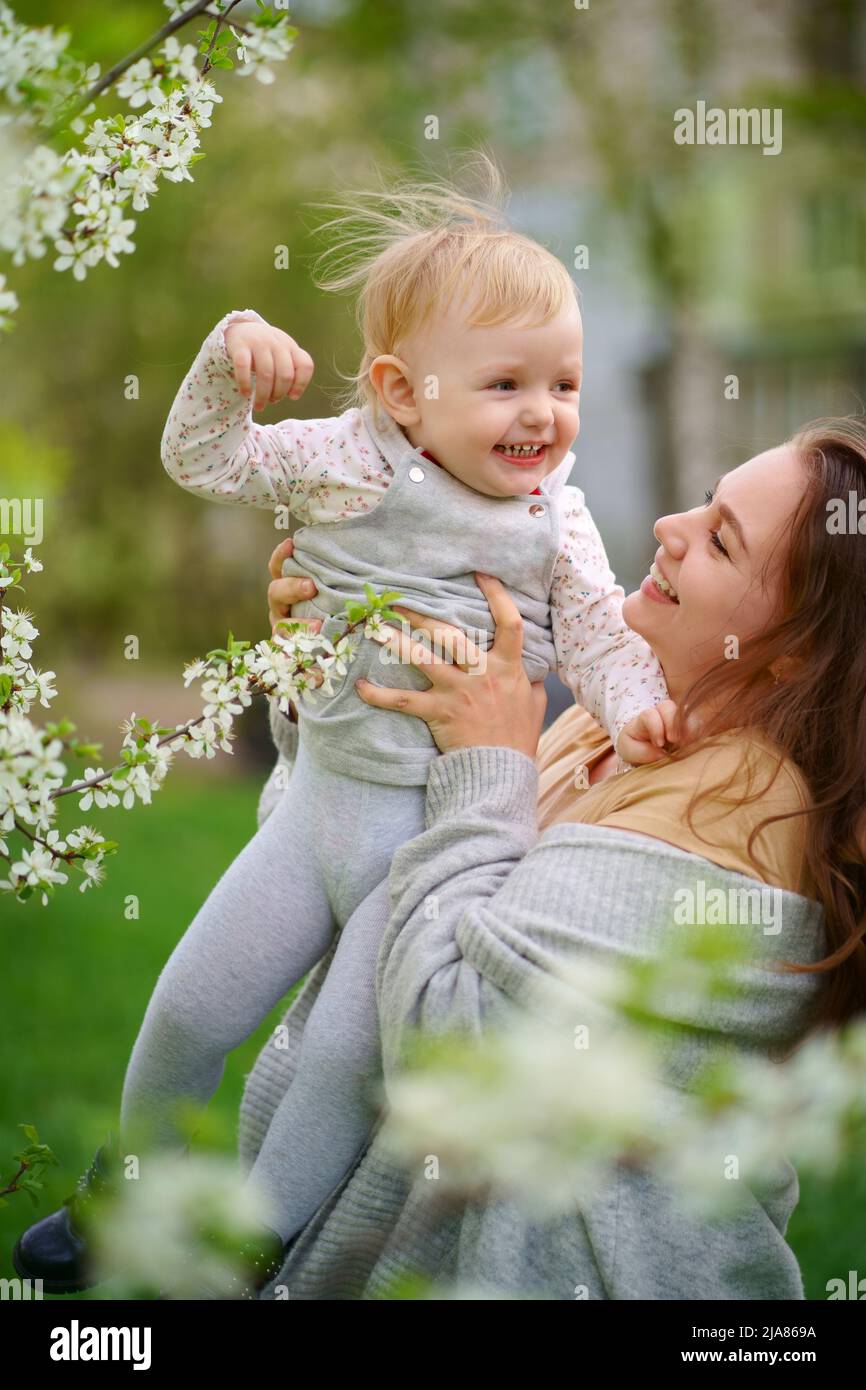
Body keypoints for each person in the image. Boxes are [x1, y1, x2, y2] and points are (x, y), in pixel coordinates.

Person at [234, 417, 866, 1299]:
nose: (669, 529)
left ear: (800, 651)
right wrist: (336, 697)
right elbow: (338, 896)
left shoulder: (741, 813)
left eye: (721, 540)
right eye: (704, 503)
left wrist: (486, 769)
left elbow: (455, 1049)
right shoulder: (610, 725)